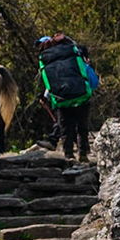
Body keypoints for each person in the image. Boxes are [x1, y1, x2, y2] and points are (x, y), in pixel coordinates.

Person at [37, 33, 97, 162]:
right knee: (82, 126)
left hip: (61, 99)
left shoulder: (49, 60)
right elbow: (94, 82)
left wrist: (46, 97)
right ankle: (83, 154)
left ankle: (68, 154)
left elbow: (50, 83)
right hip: (81, 95)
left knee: (65, 127)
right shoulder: (75, 55)